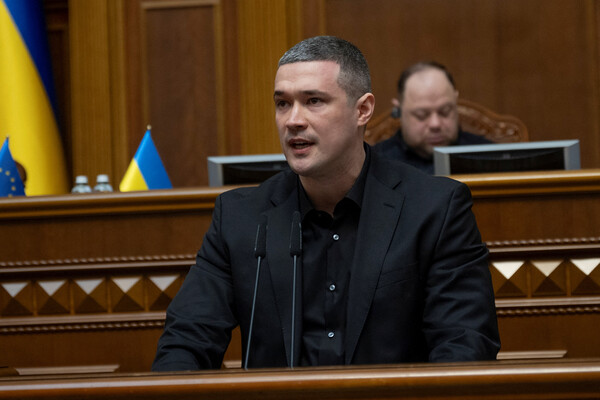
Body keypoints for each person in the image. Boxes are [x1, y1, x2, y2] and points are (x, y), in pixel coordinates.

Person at [152, 36, 500, 371]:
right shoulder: (241, 217)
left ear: (362, 110)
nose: (293, 120)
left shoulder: (435, 209)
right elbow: (186, 341)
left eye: (314, 101)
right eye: (282, 103)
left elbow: (465, 344)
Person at [372, 61, 491, 174]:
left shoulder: (488, 156)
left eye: (445, 112)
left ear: (455, 102)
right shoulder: (375, 164)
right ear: (399, 111)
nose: (435, 124)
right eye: (421, 115)